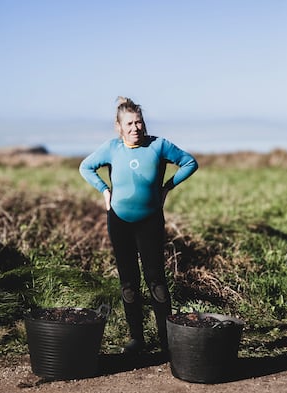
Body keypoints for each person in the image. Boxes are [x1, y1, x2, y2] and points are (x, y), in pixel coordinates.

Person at [79, 96, 198, 355]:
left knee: (156, 281)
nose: (135, 128)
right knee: (128, 283)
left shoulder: (159, 145)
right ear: (119, 126)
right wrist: (103, 190)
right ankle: (137, 339)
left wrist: (167, 187)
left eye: (139, 122)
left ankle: (168, 342)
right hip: (119, 222)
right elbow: (85, 167)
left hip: (150, 221)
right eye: (129, 123)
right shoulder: (111, 148)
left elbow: (190, 162)